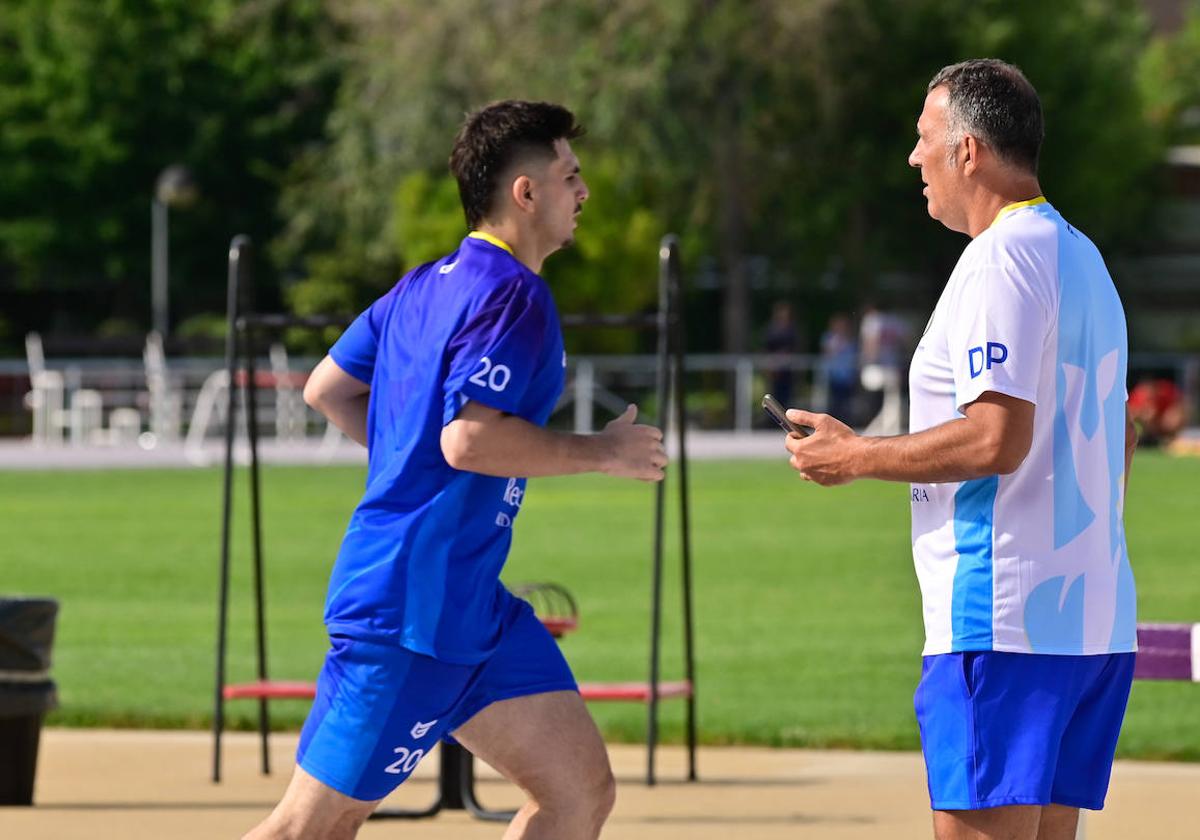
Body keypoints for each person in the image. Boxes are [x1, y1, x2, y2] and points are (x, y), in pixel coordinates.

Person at [244, 100, 667, 840]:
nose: (585, 192)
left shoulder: (421, 284)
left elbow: (328, 390)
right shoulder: (514, 294)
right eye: (571, 176)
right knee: (307, 830)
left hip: (471, 607)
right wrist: (601, 452)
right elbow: (469, 443)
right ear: (525, 193)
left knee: (578, 792)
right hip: (409, 612)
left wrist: (408, 464)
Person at [781, 60, 1139, 840]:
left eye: (924, 138)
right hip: (1092, 617)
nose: (915, 158)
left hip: (1002, 619)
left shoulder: (999, 259)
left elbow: (994, 436)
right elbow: (1124, 433)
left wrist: (856, 456)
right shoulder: (1083, 256)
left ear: (968, 151)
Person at [819, 313, 858, 424]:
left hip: (846, 376)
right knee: (834, 402)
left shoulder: (851, 339)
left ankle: (846, 422)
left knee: (846, 402)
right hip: (834, 375)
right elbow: (827, 353)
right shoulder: (829, 338)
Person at [1128, 376, 1186, 446]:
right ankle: (1145, 438)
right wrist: (1142, 414)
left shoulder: (1165, 392)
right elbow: (1129, 414)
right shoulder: (1137, 396)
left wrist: (1169, 416)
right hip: (1143, 426)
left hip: (1161, 423)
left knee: (1175, 419)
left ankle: (1168, 439)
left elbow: (1179, 407)